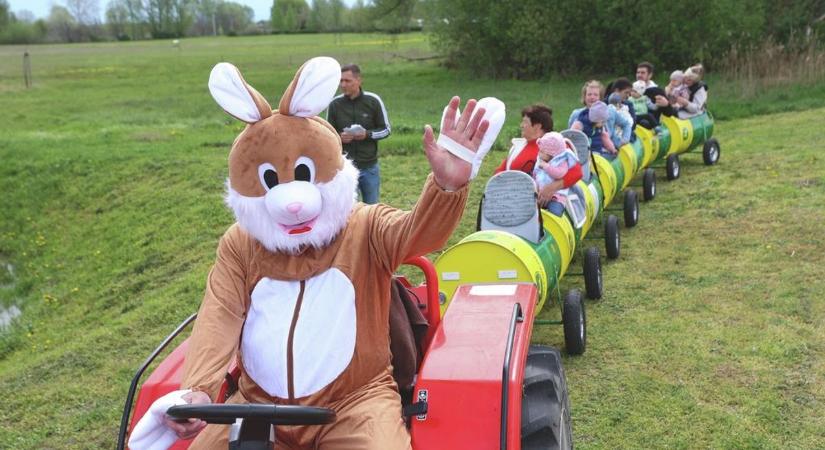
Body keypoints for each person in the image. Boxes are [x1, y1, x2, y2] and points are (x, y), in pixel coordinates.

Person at [327, 63, 391, 204]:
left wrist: (367, 135)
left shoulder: (373, 101)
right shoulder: (334, 105)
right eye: (341, 81)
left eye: (347, 81)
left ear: (358, 80)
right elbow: (327, 135)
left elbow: (386, 130)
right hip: (346, 168)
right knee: (349, 210)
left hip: (369, 167)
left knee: (371, 208)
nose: (343, 85)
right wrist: (339, 138)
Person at [494, 104, 582, 207]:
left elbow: (577, 172)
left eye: (525, 122)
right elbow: (500, 171)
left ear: (537, 126)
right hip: (511, 199)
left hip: (539, 204)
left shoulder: (556, 144)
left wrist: (551, 187)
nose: (521, 125)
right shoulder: (518, 146)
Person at [569, 80, 631, 150]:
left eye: (595, 95)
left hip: (610, 150)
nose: (592, 97)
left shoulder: (610, 111)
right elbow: (570, 135)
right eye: (589, 94)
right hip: (585, 152)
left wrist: (625, 140)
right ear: (584, 97)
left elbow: (626, 124)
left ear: (600, 97)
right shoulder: (577, 114)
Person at [533, 132, 578, 216]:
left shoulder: (561, 161)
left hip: (556, 197)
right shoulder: (541, 160)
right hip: (540, 194)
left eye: (542, 151)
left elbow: (560, 174)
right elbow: (536, 174)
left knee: (555, 212)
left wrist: (547, 167)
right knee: (533, 209)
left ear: (551, 154)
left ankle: (556, 223)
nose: (539, 153)